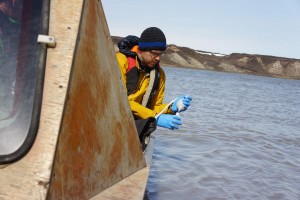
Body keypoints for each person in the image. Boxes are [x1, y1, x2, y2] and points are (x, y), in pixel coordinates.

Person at [116, 27, 192, 149]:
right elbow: (119, 101)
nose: (158, 58)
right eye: (154, 54)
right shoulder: (121, 61)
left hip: (134, 125)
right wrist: (156, 118)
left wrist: (171, 107)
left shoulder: (159, 75)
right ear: (141, 50)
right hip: (113, 120)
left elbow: (154, 107)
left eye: (160, 54)